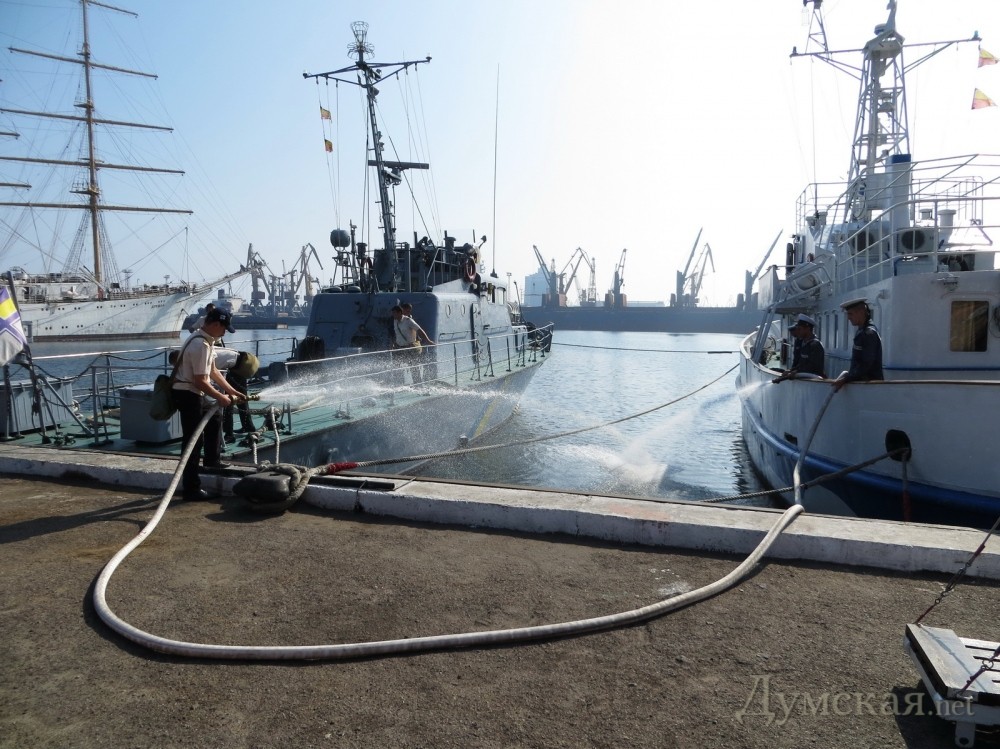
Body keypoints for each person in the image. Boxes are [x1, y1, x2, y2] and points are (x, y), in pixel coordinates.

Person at [171, 308, 245, 500]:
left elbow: (213, 371)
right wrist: (221, 397)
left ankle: (212, 460)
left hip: (193, 391)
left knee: (215, 418)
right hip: (188, 393)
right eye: (224, 329)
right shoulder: (201, 345)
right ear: (215, 324)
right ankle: (191, 488)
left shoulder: (205, 340)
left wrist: (232, 391)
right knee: (193, 440)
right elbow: (200, 381)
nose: (225, 333)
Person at [833, 298, 883, 392]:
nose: (848, 318)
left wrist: (846, 379)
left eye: (850, 314)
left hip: (869, 388)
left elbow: (867, 363)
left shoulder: (869, 333)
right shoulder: (861, 331)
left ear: (861, 312)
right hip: (862, 386)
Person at [773, 313, 825, 383]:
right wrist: (790, 370)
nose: (798, 332)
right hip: (805, 380)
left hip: (814, 381)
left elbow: (813, 366)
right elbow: (802, 364)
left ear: (808, 329)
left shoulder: (815, 345)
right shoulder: (805, 343)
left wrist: (796, 372)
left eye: (800, 329)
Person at [391, 304, 432, 384]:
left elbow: (419, 330)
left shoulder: (408, 321)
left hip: (409, 347)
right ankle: (399, 384)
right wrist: (392, 344)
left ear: (400, 313)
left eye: (394, 313)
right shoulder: (395, 321)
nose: (393, 315)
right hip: (399, 347)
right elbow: (396, 333)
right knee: (397, 366)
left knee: (413, 367)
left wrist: (428, 340)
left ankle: (418, 384)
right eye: (393, 313)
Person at [222, 351, 258, 440]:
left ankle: (229, 434)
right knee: (243, 400)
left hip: (232, 372)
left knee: (228, 404)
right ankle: (248, 426)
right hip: (241, 368)